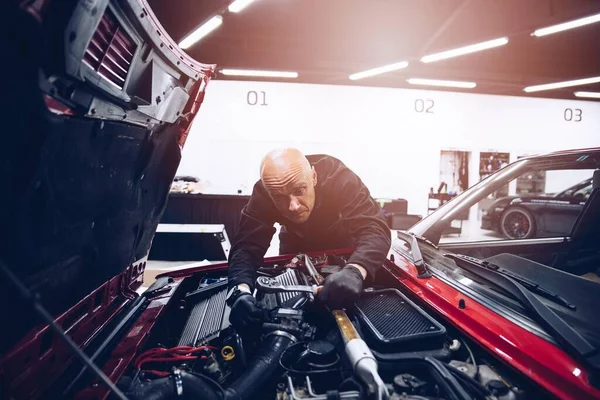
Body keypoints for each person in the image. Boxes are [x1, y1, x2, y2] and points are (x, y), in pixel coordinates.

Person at [225, 148, 391, 331]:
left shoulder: (338, 176)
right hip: (294, 243)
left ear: (314, 177)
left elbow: (374, 228)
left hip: (340, 241)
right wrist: (240, 291)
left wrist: (356, 270)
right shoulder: (266, 190)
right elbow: (246, 246)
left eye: (299, 190)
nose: (293, 206)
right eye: (279, 198)